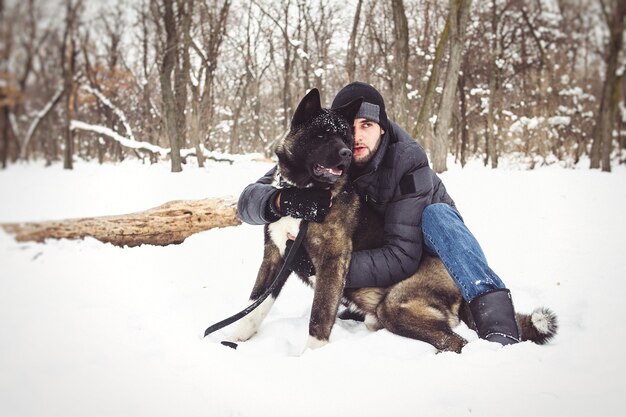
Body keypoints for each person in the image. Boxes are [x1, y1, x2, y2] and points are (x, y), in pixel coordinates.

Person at [237, 81, 521, 346]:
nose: (355, 137)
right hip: (380, 251)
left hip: (433, 255)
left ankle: (494, 313)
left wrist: (324, 268)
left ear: (382, 128)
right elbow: (252, 198)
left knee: (438, 216)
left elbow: (402, 256)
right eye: (350, 127)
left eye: (367, 125)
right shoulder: (328, 159)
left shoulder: (407, 162)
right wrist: (279, 201)